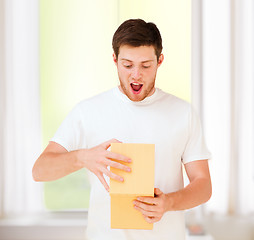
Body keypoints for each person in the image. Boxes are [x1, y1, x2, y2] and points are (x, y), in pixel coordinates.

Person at [33, 19, 212, 240]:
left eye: (146, 65)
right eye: (127, 65)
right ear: (115, 60)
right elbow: (39, 170)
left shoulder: (183, 113)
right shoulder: (88, 111)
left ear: (160, 61)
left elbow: (203, 184)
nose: (136, 75)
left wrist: (169, 202)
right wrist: (82, 158)